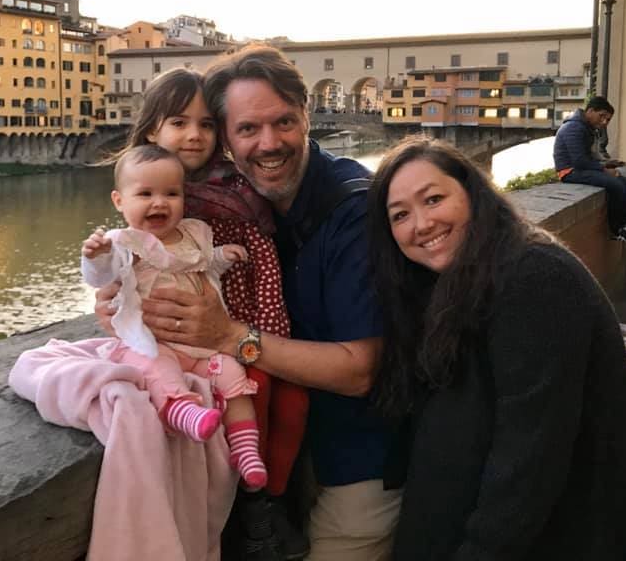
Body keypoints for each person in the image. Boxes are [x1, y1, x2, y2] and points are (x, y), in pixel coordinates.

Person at [95, 45, 399, 561]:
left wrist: (229, 335)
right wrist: (118, 292)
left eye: (283, 122)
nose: (268, 142)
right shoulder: (231, 202)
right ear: (230, 141)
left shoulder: (351, 212)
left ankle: (261, 504)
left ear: (307, 117)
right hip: (309, 445)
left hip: (359, 458)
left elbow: (363, 371)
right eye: (247, 129)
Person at [367, 137, 626, 561]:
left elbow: (529, 462)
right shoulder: (455, 279)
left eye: (434, 199)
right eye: (400, 215)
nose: (420, 224)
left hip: (573, 534)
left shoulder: (534, 277)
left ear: (474, 194)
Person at [104, 67, 310, 560]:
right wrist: (109, 290)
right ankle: (253, 509)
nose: (194, 135)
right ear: (153, 128)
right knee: (250, 396)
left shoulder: (238, 178)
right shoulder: (146, 193)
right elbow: (116, 262)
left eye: (205, 123)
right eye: (179, 122)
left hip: (250, 303)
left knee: (293, 399)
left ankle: (275, 496)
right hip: (199, 323)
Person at [81, 144, 269, 488]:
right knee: (156, 366)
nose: (160, 202)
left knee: (232, 374)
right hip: (154, 341)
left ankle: (246, 448)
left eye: (171, 193)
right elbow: (102, 277)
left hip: (200, 346)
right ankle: (181, 410)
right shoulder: (123, 243)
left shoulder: (195, 233)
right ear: (119, 201)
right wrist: (95, 257)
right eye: (145, 194)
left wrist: (222, 256)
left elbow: (202, 264)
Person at [553, 96, 626, 242]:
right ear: (590, 111)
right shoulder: (574, 127)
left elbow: (586, 158)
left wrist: (607, 164)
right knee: (616, 184)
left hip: (579, 169)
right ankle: (618, 230)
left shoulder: (585, 127)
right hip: (569, 172)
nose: (603, 122)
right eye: (602, 116)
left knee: (625, 183)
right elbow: (579, 161)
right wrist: (604, 169)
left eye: (607, 120)